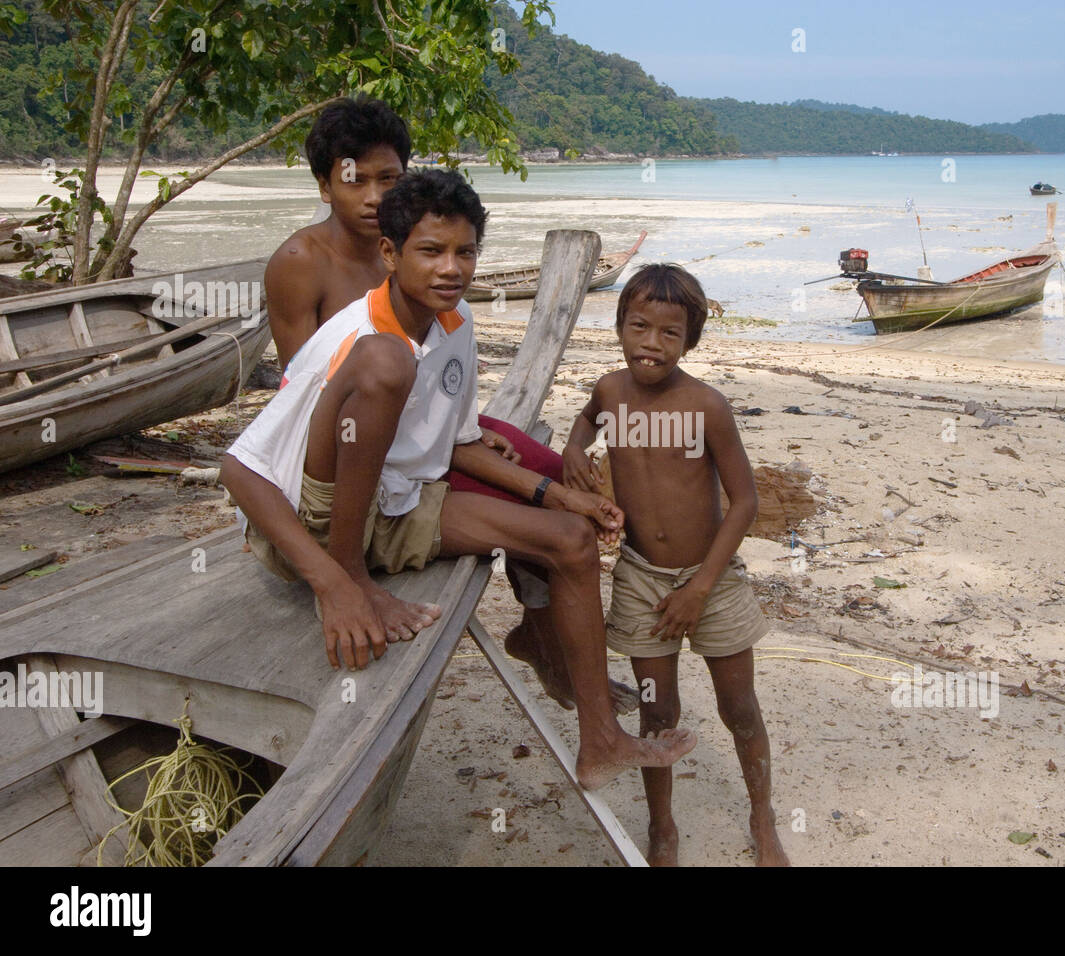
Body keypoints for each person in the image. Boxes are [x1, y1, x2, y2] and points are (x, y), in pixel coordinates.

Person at [221, 170, 696, 789]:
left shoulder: (456, 322)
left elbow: (454, 443)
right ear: (389, 254)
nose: (451, 268)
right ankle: (355, 571)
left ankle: (601, 740)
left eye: (465, 251)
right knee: (385, 362)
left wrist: (558, 494)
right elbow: (239, 470)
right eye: (430, 251)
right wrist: (338, 584)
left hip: (397, 504)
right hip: (310, 521)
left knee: (572, 541)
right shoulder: (358, 335)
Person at [263, 95, 633, 714]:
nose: (373, 195)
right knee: (517, 494)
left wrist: (460, 431)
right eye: (355, 180)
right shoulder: (303, 263)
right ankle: (546, 641)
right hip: (359, 442)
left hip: (424, 419)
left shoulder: (424, 244)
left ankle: (541, 632)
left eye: (389, 178)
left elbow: (442, 359)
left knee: (542, 469)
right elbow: (307, 391)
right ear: (325, 186)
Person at [562, 264, 789, 864]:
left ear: (690, 340)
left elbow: (745, 502)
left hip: (710, 579)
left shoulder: (707, 406)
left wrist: (700, 588)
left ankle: (762, 815)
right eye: (639, 327)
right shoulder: (610, 392)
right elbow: (587, 418)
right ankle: (663, 827)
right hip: (639, 576)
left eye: (670, 333)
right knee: (658, 709)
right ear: (619, 327)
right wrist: (572, 447)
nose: (651, 344)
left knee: (738, 705)